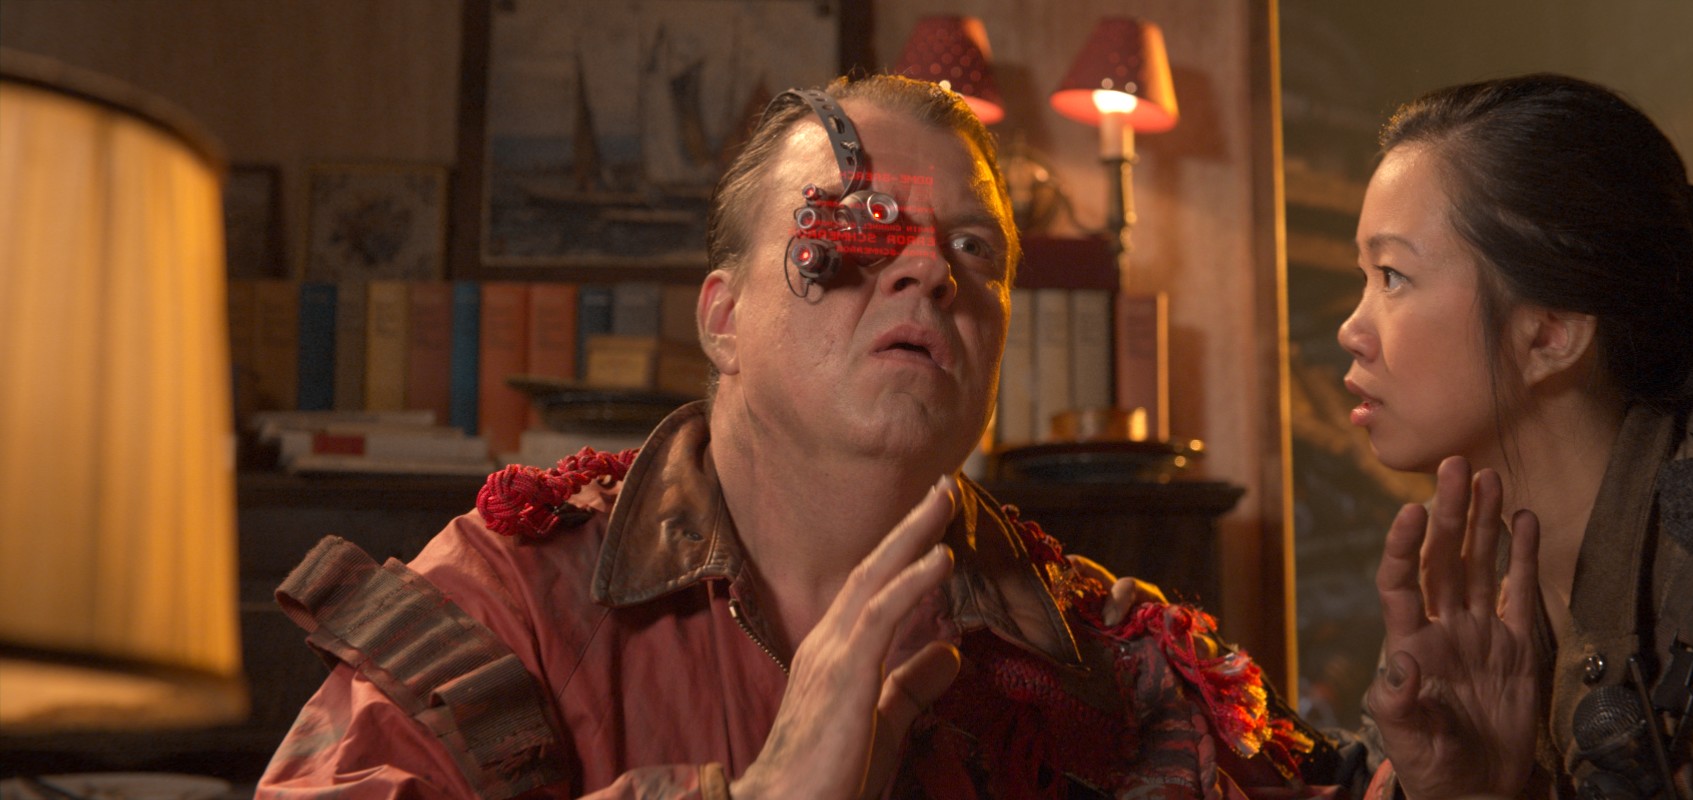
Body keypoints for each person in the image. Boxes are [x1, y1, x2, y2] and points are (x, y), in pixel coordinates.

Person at [256, 74, 1333, 800]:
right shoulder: (508, 600)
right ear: (723, 317)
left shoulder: (1111, 664)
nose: (931, 270)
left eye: (973, 248)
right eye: (856, 228)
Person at [1332, 73, 1693, 799]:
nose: (1351, 329)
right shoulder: (1466, 588)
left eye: (1393, 276)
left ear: (1549, 334)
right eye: (1366, 276)